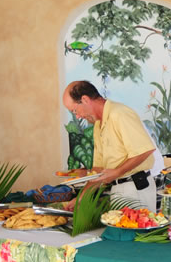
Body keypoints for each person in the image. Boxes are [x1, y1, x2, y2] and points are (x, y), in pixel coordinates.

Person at [61, 80, 157, 211]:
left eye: (74, 110)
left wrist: (118, 172)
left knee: (134, 231)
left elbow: (145, 150)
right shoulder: (97, 125)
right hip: (117, 189)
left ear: (85, 99)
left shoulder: (119, 113)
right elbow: (98, 170)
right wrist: (81, 198)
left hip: (135, 188)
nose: (77, 117)